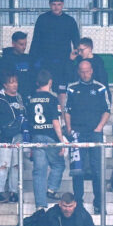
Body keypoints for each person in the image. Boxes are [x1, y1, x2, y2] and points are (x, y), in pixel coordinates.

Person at [64, 60, 110, 214]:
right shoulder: (71, 88)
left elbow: (107, 110)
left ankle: (98, 203)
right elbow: (67, 110)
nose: (85, 74)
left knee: (97, 169)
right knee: (78, 170)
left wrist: (99, 128)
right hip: (77, 133)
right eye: (82, 71)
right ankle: (79, 204)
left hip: (94, 133)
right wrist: (69, 128)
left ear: (92, 70)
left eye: (87, 71)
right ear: (78, 71)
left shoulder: (100, 88)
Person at [26, 69, 69, 211]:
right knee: (58, 165)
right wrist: (61, 141)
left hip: (36, 138)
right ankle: (51, 190)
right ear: (50, 82)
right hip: (50, 137)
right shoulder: (52, 99)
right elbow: (56, 122)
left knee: (39, 171)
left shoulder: (30, 99)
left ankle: (40, 205)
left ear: (37, 83)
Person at [29, 0, 80, 104]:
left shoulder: (69, 21)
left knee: (62, 93)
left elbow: (76, 41)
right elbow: (35, 41)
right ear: (49, 5)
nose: (56, 7)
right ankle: (45, 118)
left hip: (63, 64)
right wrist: (32, 61)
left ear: (63, 5)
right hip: (45, 63)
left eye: (59, 4)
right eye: (54, 4)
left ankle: (61, 118)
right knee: (43, 90)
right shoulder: (42, 19)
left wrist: (78, 58)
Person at [0, 72, 26, 203]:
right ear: (5, 84)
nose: (14, 85)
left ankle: (14, 192)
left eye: (16, 82)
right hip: (3, 137)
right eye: (11, 82)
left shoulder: (19, 98)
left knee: (15, 166)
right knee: (2, 166)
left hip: (18, 136)